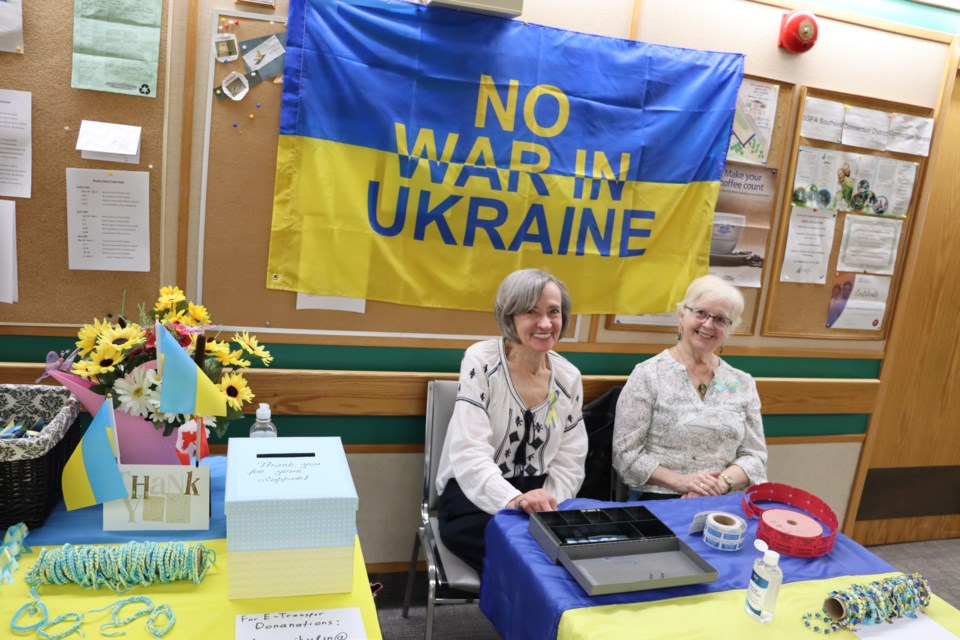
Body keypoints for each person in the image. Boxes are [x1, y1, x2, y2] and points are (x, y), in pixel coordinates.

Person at [435, 269, 587, 573]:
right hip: (476, 496)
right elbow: (469, 452)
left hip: (543, 500)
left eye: (553, 312)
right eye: (531, 311)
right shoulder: (480, 361)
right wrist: (515, 500)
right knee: (532, 559)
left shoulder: (569, 378)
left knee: (577, 552)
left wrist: (546, 505)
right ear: (510, 316)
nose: (545, 323)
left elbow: (572, 460)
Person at [612, 275, 767, 500]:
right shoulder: (648, 374)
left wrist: (719, 484)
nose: (708, 325)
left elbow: (755, 457)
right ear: (682, 314)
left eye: (721, 319)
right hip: (661, 498)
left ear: (729, 329)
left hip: (724, 498)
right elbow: (626, 456)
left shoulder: (742, 383)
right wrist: (684, 483)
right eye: (701, 313)